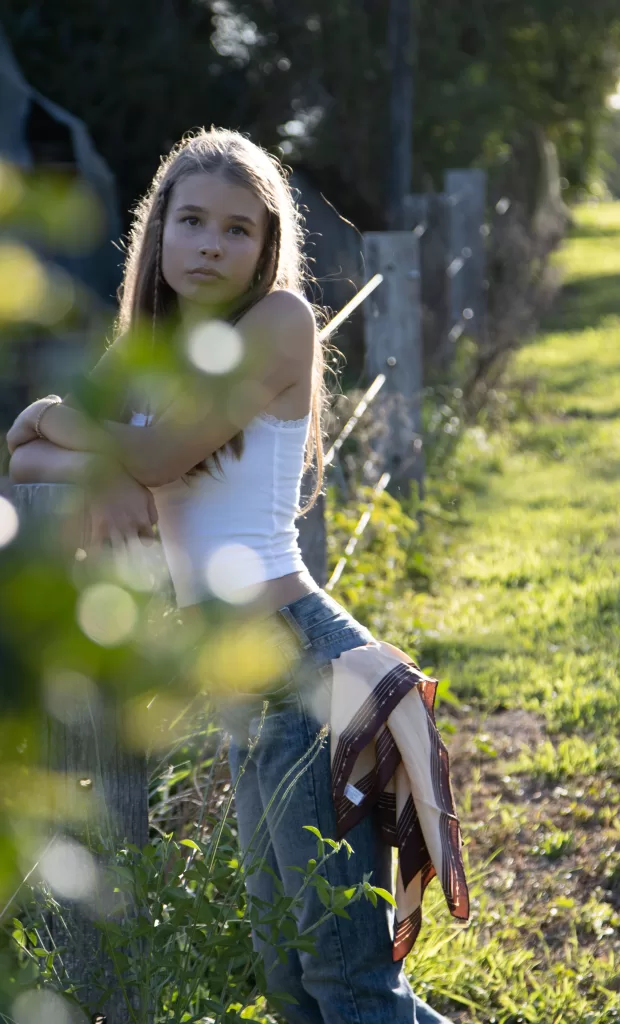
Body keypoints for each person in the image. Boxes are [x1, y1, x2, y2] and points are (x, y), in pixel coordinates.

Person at [7, 128, 453, 1023]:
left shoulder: (277, 323)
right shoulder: (152, 354)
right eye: (192, 221)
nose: (211, 243)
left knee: (348, 983)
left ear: (266, 248)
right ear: (158, 235)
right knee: (287, 979)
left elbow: (159, 455)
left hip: (302, 666)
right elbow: (28, 462)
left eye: (237, 230)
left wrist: (61, 418)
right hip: (241, 682)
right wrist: (79, 438)